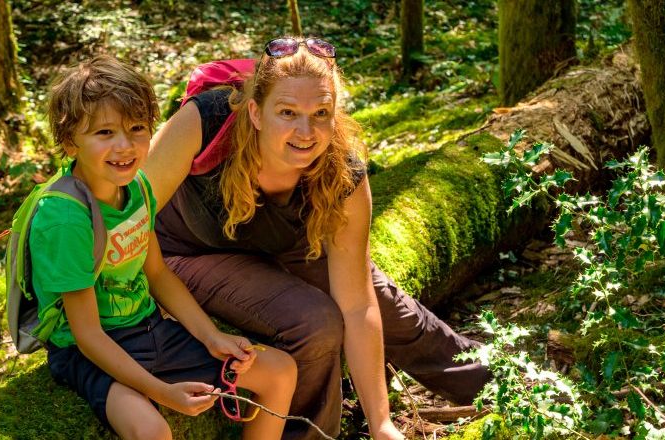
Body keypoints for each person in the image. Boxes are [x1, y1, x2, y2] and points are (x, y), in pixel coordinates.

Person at [144, 38, 491, 440]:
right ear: (255, 112)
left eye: (320, 113)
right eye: (287, 112)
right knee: (315, 322)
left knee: (387, 306)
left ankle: (503, 385)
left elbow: (358, 305)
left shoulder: (342, 171)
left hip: (278, 245)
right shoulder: (206, 120)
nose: (305, 131)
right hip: (185, 251)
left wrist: (381, 424)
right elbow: (130, 214)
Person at [35, 55, 297, 440]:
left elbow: (156, 273)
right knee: (151, 431)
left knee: (279, 371)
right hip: (87, 352)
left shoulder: (137, 188)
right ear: (70, 142)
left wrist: (211, 337)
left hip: (147, 328)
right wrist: (161, 392)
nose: (125, 146)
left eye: (136, 129)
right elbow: (88, 334)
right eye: (104, 133)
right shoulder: (65, 218)